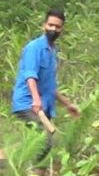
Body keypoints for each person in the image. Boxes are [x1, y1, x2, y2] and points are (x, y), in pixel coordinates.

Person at [11, 9, 80, 160]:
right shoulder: (34, 48)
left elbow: (49, 86)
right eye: (51, 25)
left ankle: (5, 159)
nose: (53, 29)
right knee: (45, 140)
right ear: (44, 25)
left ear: (62, 29)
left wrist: (68, 104)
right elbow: (30, 76)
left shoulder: (53, 51)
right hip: (28, 103)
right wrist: (36, 100)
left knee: (35, 142)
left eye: (57, 27)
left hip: (44, 104)